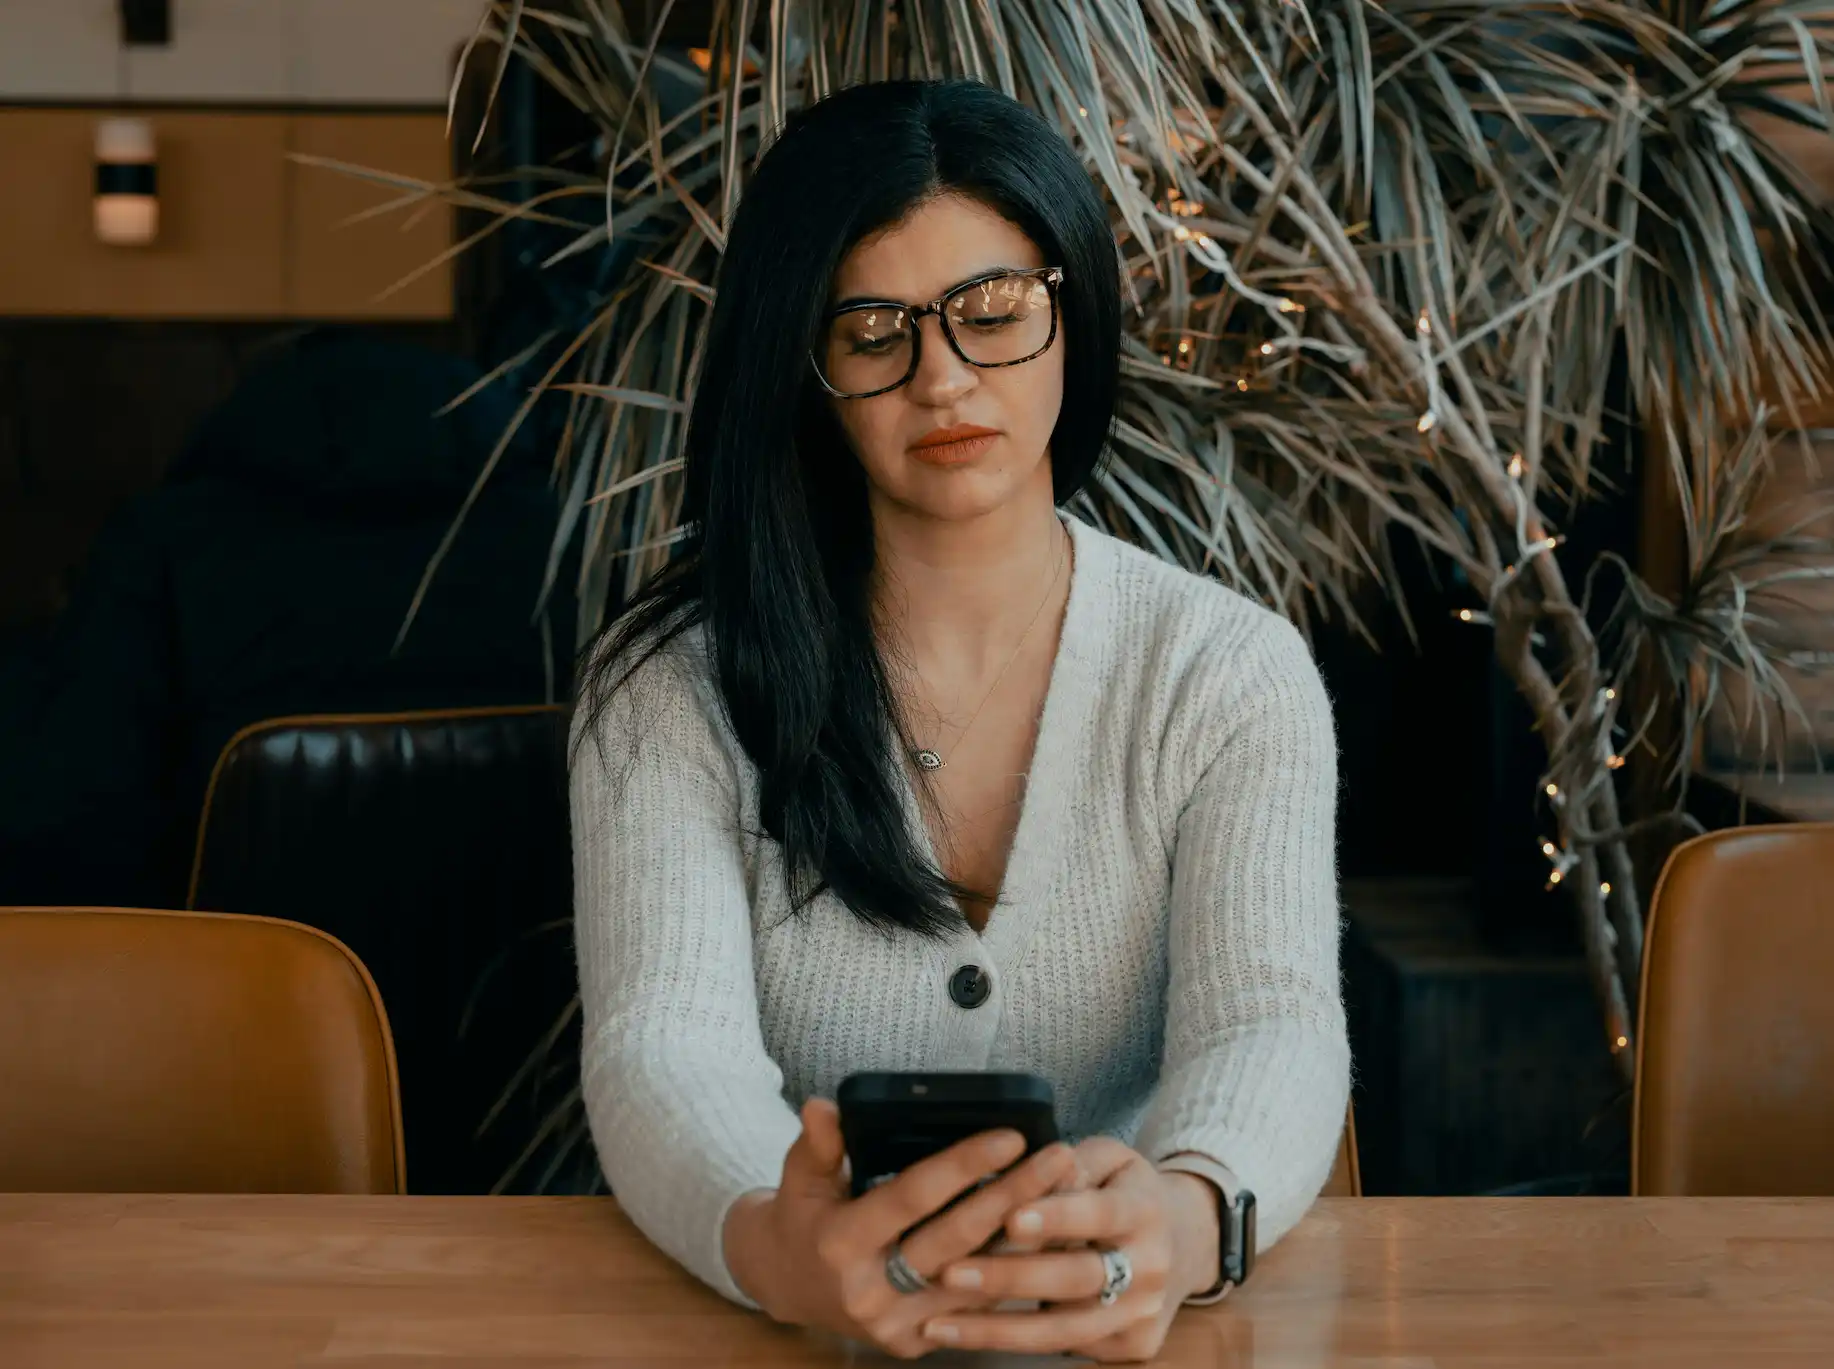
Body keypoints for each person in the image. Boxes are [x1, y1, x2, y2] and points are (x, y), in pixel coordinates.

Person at [570, 79, 1349, 1361]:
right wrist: (774, 1242)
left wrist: (1190, 1212)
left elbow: (1269, 1021)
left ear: (1071, 314)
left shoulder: (1225, 671)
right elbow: (662, 1045)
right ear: (805, 365)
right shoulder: (672, 685)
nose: (943, 378)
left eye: (992, 313)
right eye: (875, 331)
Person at [0, 329, 571, 909]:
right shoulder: (565, 534)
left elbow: (73, 804)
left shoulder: (168, 542)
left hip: (240, 979)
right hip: (532, 976)